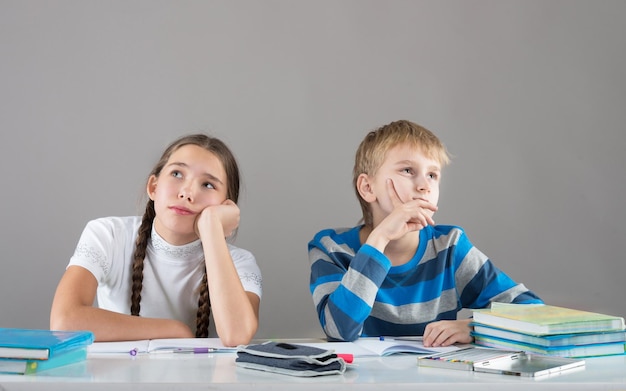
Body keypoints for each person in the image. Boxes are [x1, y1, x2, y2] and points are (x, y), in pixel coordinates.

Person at [308, 120, 542, 346]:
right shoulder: (331, 248)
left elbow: (533, 310)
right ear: (368, 188)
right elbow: (339, 330)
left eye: (432, 175)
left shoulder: (449, 248)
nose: (424, 185)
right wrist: (380, 238)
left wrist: (474, 328)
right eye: (408, 170)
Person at [50, 134, 262, 346]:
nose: (187, 193)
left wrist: (212, 226)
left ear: (226, 207)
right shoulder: (108, 235)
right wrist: (175, 330)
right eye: (177, 173)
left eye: (207, 185)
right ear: (153, 187)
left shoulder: (241, 263)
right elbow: (65, 321)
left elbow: (237, 335)